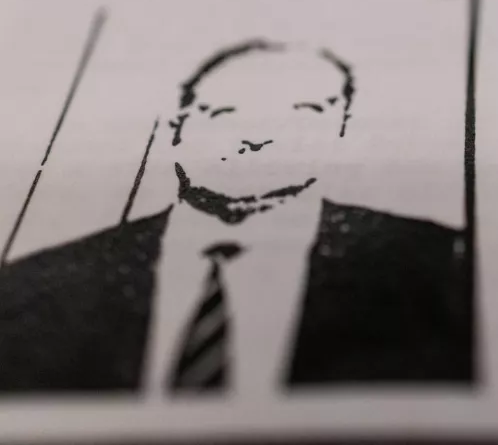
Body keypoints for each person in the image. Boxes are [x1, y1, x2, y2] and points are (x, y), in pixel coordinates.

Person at [0, 39, 473, 393]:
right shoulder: (45, 279)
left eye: (303, 114)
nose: (257, 138)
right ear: (177, 129)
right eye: (225, 113)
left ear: (343, 131)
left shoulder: (438, 264)